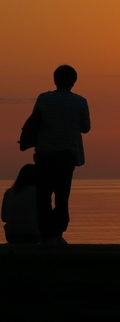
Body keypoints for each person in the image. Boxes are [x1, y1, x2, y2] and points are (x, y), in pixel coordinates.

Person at [32, 65, 91, 246]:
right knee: (62, 195)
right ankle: (57, 233)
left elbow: (35, 121)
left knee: (43, 195)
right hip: (66, 155)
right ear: (74, 81)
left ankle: (45, 232)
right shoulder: (80, 102)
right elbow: (85, 128)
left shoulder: (43, 98)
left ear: (54, 80)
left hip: (43, 154)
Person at [2, 164, 40, 245]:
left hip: (11, 236)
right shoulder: (38, 193)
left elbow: (4, 218)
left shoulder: (8, 192)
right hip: (33, 236)